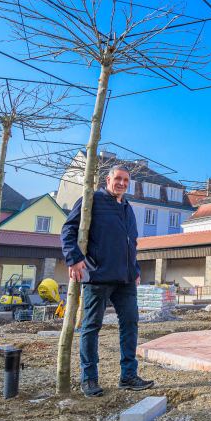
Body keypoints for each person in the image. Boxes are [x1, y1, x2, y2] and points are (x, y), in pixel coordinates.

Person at [61, 164, 154, 397]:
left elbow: (131, 243)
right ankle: (89, 378)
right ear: (108, 179)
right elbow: (68, 229)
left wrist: (135, 269)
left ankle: (128, 376)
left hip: (125, 279)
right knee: (91, 327)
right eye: (118, 179)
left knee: (130, 324)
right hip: (98, 277)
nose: (122, 183)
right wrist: (74, 259)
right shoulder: (91, 200)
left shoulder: (128, 207)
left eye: (126, 180)